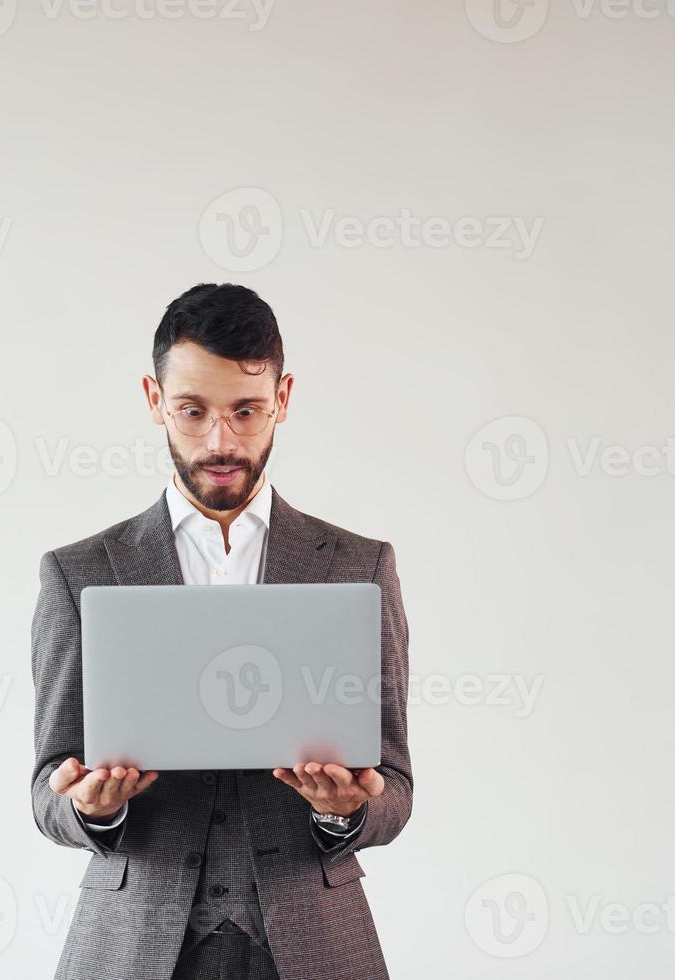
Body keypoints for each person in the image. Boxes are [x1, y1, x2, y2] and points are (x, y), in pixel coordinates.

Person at [29, 283, 413, 980]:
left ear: (284, 399)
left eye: (246, 410)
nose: (221, 441)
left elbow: (396, 787)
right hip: (134, 944)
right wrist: (93, 809)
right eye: (192, 410)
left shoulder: (360, 567)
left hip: (315, 945)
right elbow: (45, 793)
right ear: (154, 401)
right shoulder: (79, 573)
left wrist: (345, 813)